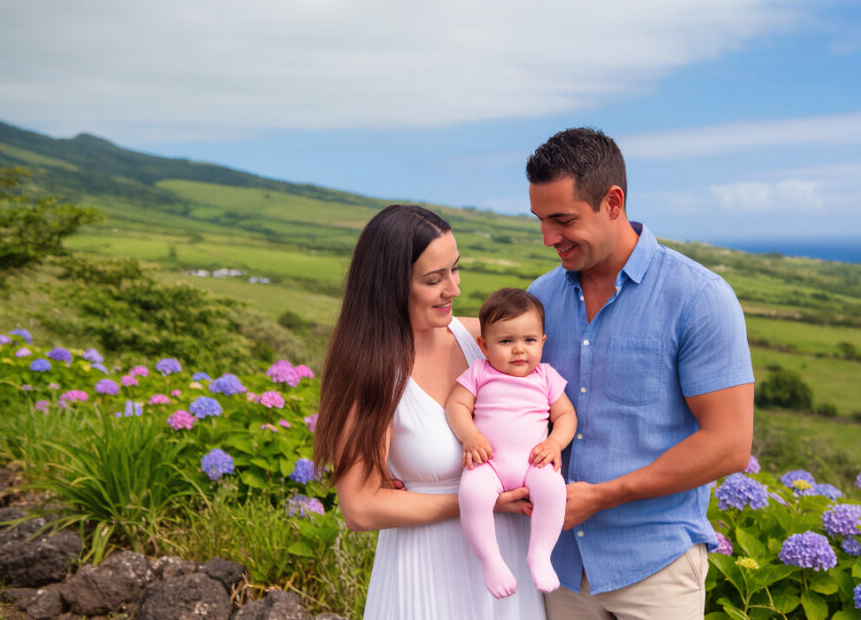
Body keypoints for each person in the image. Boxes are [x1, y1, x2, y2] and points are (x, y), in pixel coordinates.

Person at [525, 128, 755, 619]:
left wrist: (605, 496)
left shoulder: (700, 298)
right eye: (540, 221)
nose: (548, 239)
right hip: (560, 568)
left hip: (657, 568)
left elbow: (730, 444)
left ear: (613, 201)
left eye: (562, 220)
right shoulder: (539, 299)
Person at [312, 205, 546, 619]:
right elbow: (361, 508)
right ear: (389, 286)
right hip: (426, 572)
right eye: (434, 279)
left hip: (509, 568)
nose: (453, 289)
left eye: (455, 270)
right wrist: (481, 501)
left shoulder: (484, 340)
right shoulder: (371, 371)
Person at [446, 288, 578, 599]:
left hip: (534, 462)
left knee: (554, 490)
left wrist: (556, 443)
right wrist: (471, 436)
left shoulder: (546, 377)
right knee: (471, 494)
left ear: (542, 342)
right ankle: (490, 560)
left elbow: (566, 416)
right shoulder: (480, 372)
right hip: (488, 464)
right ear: (484, 345)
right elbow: (456, 406)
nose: (519, 350)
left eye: (529, 341)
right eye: (506, 341)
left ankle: (540, 554)